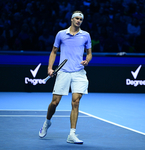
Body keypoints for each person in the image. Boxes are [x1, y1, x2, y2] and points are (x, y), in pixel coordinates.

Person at [39, 11, 92, 144]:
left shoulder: (86, 35)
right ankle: (47, 122)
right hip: (63, 72)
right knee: (55, 102)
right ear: (72, 19)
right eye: (77, 18)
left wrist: (87, 61)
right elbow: (53, 52)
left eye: (81, 19)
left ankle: (72, 134)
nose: (79, 21)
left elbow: (89, 53)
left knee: (76, 102)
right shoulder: (61, 34)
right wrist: (50, 68)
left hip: (79, 73)